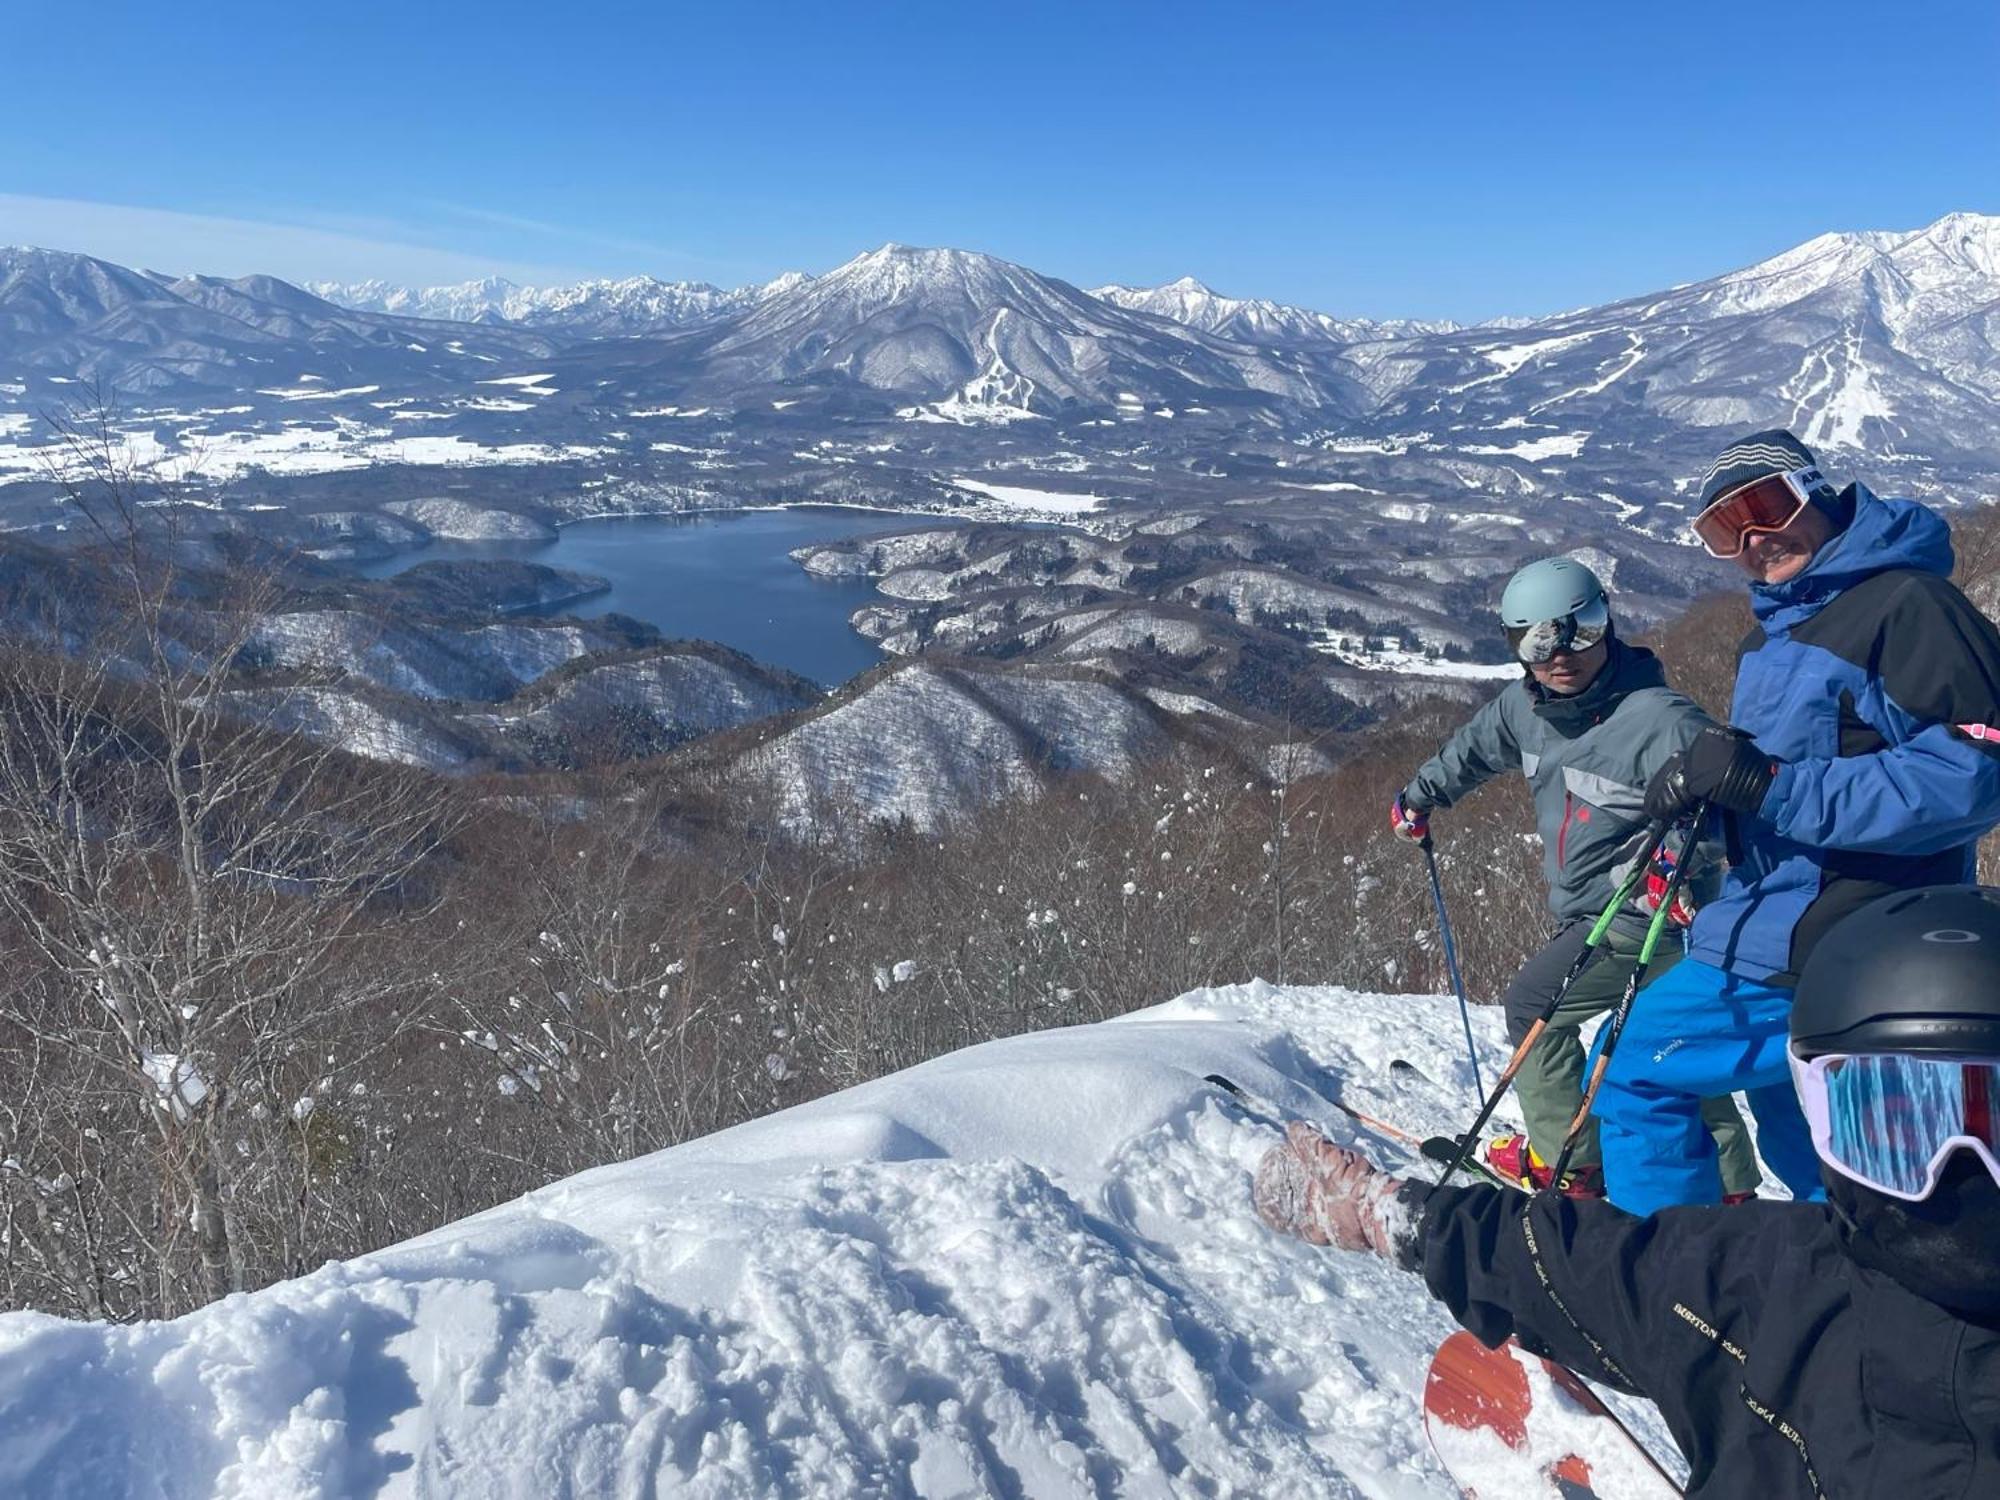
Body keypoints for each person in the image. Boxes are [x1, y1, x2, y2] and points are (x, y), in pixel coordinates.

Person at [1253, 883, 2000, 1498]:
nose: (1963, 1175)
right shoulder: (1774, 1287)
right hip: (1754, 932)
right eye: (1899, 1132)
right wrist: (1396, 1217)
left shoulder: (1779, 1292)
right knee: (1637, 1063)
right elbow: (1599, 1266)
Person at [1593, 428, 2000, 1213]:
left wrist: (1769, 785)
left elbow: (1974, 773)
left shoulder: (1905, 605)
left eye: (1765, 506)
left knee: (1629, 1067)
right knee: (1826, 1148)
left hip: (1847, 934)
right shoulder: (1770, 638)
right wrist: (1710, 807)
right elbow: (1785, 784)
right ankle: (1860, 1298)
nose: (1752, 539)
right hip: (1771, 921)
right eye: (1723, 530)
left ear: (1814, 490)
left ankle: (1669, 1301)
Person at [1390, 556, 1760, 1200]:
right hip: (1603, 911)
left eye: (1579, 630)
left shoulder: (1661, 719)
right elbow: (1475, 749)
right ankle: (1730, 1185)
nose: (1560, 654)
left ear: (1606, 624)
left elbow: (1725, 812)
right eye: (1537, 640)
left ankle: (1571, 1163)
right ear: (1514, 645)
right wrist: (1421, 796)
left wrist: (1678, 862)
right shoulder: (1524, 709)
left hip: (1645, 918)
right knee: (1665, 1045)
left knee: (1536, 1007)